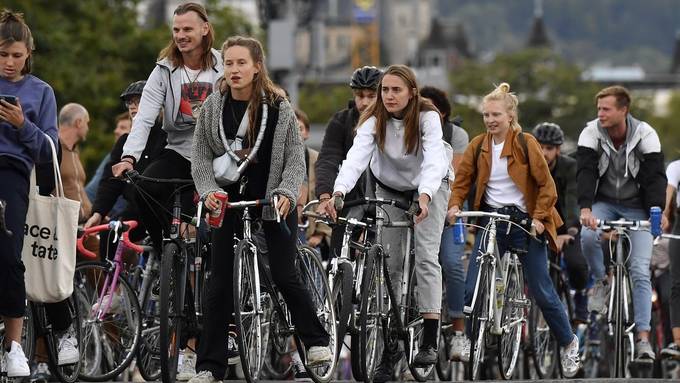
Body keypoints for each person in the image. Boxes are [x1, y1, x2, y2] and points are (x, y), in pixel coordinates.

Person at [190, 35, 332, 383]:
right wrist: (208, 191)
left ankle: (315, 342)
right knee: (218, 283)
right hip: (229, 200)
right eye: (229, 63)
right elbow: (200, 158)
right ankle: (210, 367)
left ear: (257, 67)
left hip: (272, 199)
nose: (234, 70)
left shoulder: (278, 107)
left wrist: (286, 191)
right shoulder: (212, 107)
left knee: (285, 273)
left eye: (242, 63)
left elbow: (295, 160)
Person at [325, 64, 451, 378]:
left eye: (397, 90)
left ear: (412, 92)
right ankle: (388, 352)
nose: (389, 96)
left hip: (431, 186)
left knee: (425, 257)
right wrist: (338, 192)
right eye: (386, 90)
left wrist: (424, 196)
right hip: (390, 188)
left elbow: (435, 159)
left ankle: (430, 340)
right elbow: (356, 157)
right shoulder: (372, 119)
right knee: (389, 265)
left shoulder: (427, 117)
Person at [448, 83, 581, 377]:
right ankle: (470, 340)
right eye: (485, 115)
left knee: (543, 291)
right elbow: (461, 181)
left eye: (496, 114)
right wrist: (455, 205)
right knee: (472, 285)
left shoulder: (526, 143)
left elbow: (547, 187)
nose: (490, 120)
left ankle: (569, 342)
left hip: (524, 222)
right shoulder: (479, 145)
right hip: (491, 219)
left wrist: (538, 217)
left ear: (510, 116)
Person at [111, 2, 223, 255]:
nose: (180, 36)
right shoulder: (164, 69)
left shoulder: (223, 65)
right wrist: (129, 157)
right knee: (144, 189)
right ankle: (168, 253)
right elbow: (144, 117)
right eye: (176, 30)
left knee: (226, 210)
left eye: (187, 29)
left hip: (217, 154)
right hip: (180, 150)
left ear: (205, 28)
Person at [577, 85, 667, 361]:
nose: (600, 114)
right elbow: (585, 171)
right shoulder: (591, 132)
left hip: (637, 206)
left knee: (640, 270)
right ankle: (602, 281)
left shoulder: (645, 134)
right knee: (588, 236)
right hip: (604, 201)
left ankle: (642, 338)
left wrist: (657, 211)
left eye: (606, 109)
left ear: (623, 110)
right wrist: (586, 208)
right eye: (598, 109)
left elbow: (654, 178)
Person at [0, 9, 58, 378]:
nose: (9, 62)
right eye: (2, 54)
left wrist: (23, 126)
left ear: (28, 54)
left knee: (8, 253)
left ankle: (15, 346)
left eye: (16, 55)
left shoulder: (40, 92)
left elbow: (50, 150)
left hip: (12, 171)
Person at [84, 80, 167, 260]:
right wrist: (99, 213)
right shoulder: (124, 142)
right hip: (135, 210)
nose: (133, 106)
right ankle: (114, 284)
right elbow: (110, 181)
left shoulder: (167, 138)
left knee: (168, 246)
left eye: (139, 101)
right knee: (110, 232)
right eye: (130, 102)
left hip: (163, 209)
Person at [419, 85, 471, 361]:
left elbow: (456, 180)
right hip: (418, 209)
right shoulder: (409, 131)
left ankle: (459, 331)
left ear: (443, 113)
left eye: (431, 109)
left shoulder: (456, 136)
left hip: (450, 208)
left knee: (451, 263)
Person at [315, 65, 382, 256]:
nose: (365, 102)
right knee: (337, 258)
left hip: (385, 201)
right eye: (360, 96)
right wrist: (325, 196)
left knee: (387, 260)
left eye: (371, 96)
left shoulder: (392, 123)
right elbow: (328, 159)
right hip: (350, 199)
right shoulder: (341, 121)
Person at [531, 122, 590, 326]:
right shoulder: (528, 166)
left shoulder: (570, 166)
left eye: (549, 148)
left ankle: (581, 296)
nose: (544, 153)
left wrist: (570, 231)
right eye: (540, 147)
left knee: (576, 265)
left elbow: (573, 200)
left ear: (558, 150)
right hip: (538, 224)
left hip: (567, 226)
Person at [295, 108, 331, 255]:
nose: (297, 133)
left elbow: (324, 195)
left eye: (300, 128)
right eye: (293, 128)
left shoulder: (316, 159)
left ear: (307, 133)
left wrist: (321, 233)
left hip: (309, 230)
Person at [84, 111, 131, 212]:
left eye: (122, 128)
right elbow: (95, 189)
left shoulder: (129, 159)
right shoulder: (112, 156)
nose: (116, 131)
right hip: (96, 212)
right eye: (117, 127)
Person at [58, 103, 92, 223]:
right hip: (62, 226)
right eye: (87, 123)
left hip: (82, 225)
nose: (87, 128)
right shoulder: (52, 148)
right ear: (79, 122)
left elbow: (77, 188)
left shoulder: (74, 151)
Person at [661, 158, 680, 359]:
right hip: (679, 226)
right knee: (677, 284)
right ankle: (678, 343)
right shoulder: (676, 167)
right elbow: (668, 192)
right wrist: (664, 214)